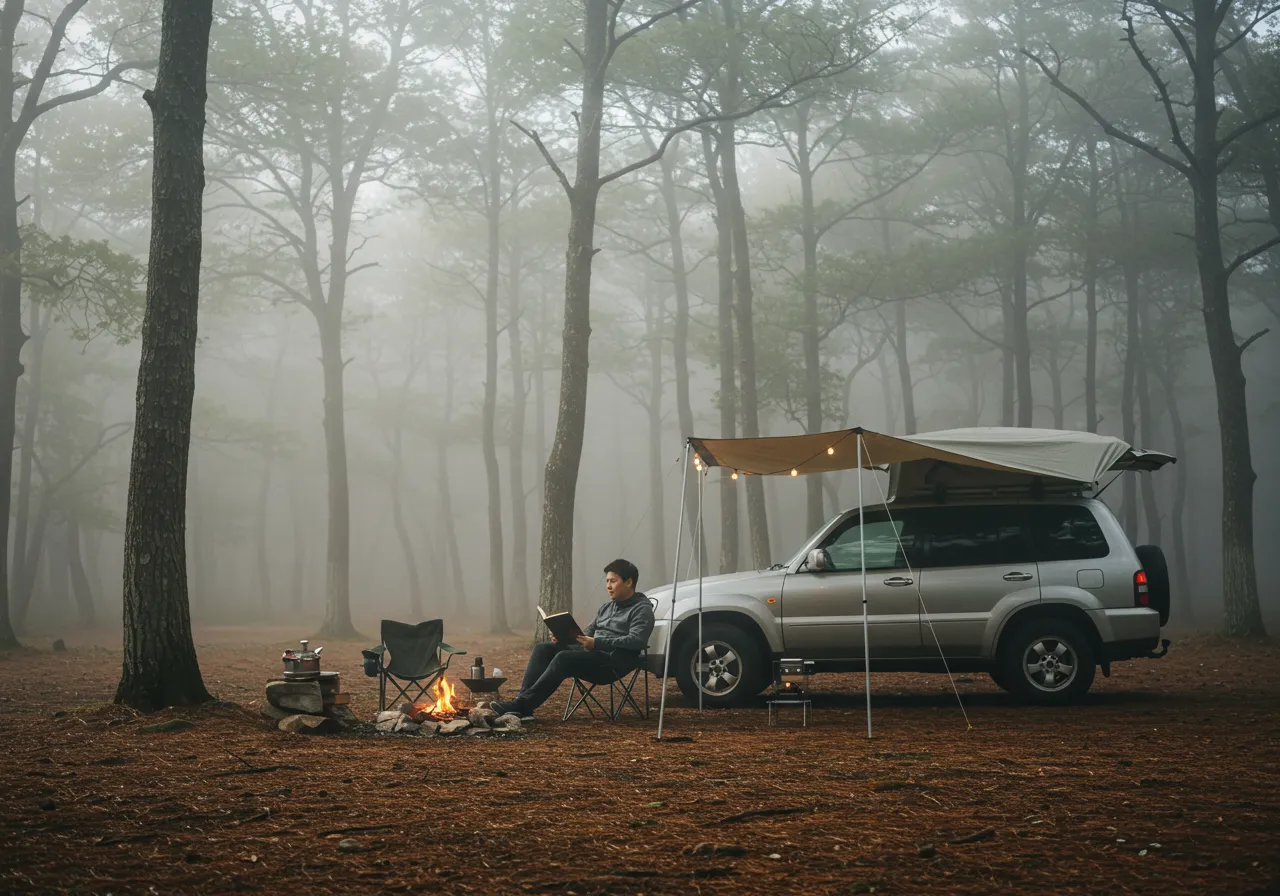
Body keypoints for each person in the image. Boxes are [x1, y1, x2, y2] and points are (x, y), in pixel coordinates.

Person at [489, 559, 654, 718]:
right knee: (543, 649)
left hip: (613, 662)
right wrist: (565, 637)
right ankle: (522, 706)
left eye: (613, 581)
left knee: (564, 658)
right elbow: (587, 633)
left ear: (629, 582)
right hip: (593, 655)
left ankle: (521, 706)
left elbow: (637, 640)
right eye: (607, 581)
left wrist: (597, 643)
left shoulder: (642, 609)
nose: (608, 586)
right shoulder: (606, 607)